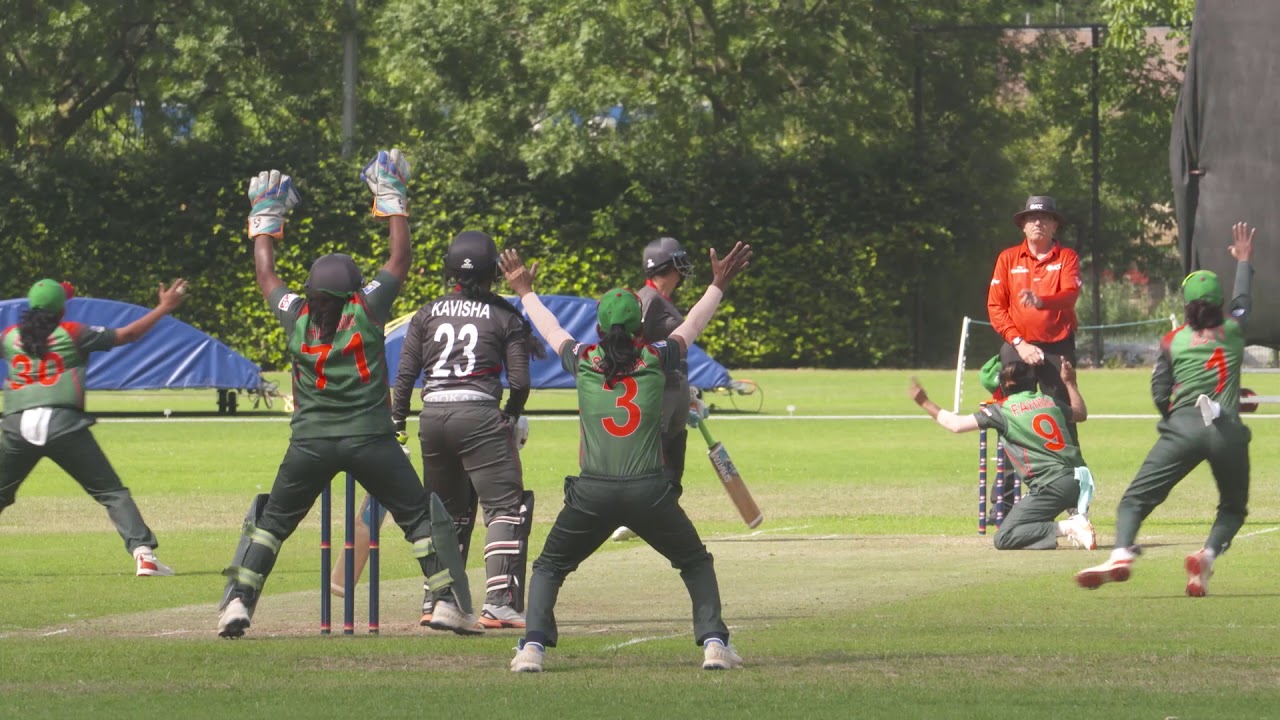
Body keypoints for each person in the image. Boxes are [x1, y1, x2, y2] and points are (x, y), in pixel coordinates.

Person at [217, 152, 477, 638]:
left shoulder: (295, 314)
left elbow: (266, 276)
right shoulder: (366, 308)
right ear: (354, 289)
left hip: (310, 442)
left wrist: (264, 223)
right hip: (371, 441)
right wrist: (392, 200)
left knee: (272, 522)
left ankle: (238, 601)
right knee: (417, 518)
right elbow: (399, 259)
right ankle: (444, 602)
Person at [500, 241, 752, 673]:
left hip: (592, 493)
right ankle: (714, 643)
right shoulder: (655, 358)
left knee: (549, 567)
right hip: (649, 492)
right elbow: (693, 323)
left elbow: (549, 327)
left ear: (598, 328)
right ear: (640, 325)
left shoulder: (583, 360)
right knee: (694, 562)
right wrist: (718, 283)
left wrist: (524, 291)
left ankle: (531, 649)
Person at [1075, 221, 1255, 596]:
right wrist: (1243, 261)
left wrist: (1176, 422)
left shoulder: (1173, 340)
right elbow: (1242, 304)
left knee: (1135, 500)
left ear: (1186, 306)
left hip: (1184, 426)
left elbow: (1159, 390)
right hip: (1227, 430)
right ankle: (1206, 556)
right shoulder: (1234, 331)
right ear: (1219, 303)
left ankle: (1121, 554)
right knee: (1233, 508)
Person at [392, 229, 542, 630]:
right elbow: (521, 381)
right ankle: (500, 602)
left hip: (432, 419)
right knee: (505, 508)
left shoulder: (426, 313)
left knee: (446, 515)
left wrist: (396, 428)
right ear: (493, 271)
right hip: (479, 416)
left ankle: (439, 600)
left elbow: (404, 378)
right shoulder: (505, 315)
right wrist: (511, 415)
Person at [1, 277, 188, 576]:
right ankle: (144, 555)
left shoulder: (9, 336)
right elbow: (128, 334)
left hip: (16, 426)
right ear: (61, 310)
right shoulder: (73, 332)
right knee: (112, 493)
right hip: (63, 423)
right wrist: (164, 307)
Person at [909, 360, 1096, 551]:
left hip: (1051, 484)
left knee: (1004, 537)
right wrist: (1070, 383)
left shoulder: (1002, 409)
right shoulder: (1048, 401)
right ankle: (1078, 520)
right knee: (1029, 524)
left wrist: (924, 401)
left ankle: (1070, 527)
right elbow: (1080, 413)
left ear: (1005, 384)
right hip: (1081, 480)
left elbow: (955, 425)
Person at [987, 195, 1084, 518]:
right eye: (1031, 218)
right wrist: (1019, 342)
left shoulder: (1066, 257)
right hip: (1017, 346)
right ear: (1023, 225)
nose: (1037, 223)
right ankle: (1004, 501)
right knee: (1012, 419)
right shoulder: (1008, 258)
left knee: (1064, 420)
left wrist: (1042, 301)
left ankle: (1074, 504)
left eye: (1044, 218)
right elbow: (996, 307)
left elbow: (1070, 294)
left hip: (1057, 345)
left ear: (1055, 224)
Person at [612, 236, 704, 543]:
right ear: (668, 265)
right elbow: (627, 345)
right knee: (654, 454)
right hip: (657, 390)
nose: (684, 267)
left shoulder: (665, 300)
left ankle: (664, 515)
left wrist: (690, 390)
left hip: (676, 387)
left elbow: (678, 349)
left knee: (675, 454)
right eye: (680, 261)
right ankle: (633, 516)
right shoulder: (647, 300)